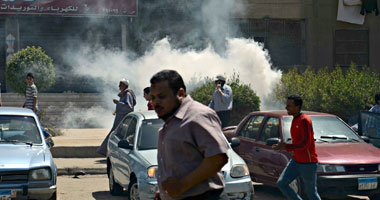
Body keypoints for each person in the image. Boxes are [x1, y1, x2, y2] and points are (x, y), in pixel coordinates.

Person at [150, 70, 229, 200]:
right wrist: (164, 194)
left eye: (162, 96)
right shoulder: (171, 121)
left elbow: (218, 157)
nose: (156, 102)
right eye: (153, 98)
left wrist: (182, 185)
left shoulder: (198, 115)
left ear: (180, 93)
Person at [272, 95, 321, 200]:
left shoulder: (304, 120)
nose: (286, 108)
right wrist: (285, 146)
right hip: (296, 160)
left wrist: (286, 147)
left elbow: (306, 144)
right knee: (282, 183)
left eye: (289, 105)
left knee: (311, 193)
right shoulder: (295, 119)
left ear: (297, 107)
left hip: (308, 162)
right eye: (286, 105)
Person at [97, 78, 136, 156]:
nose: (119, 86)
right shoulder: (124, 93)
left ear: (124, 85)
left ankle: (106, 151)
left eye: (120, 84)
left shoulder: (127, 94)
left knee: (116, 135)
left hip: (123, 119)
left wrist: (118, 103)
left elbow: (129, 107)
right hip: (120, 118)